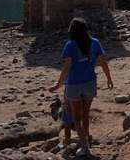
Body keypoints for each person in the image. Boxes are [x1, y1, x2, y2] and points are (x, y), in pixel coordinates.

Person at [49, 17, 114, 157]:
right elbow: (103, 62)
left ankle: (85, 147)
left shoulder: (70, 45)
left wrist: (58, 84)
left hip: (74, 85)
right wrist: (109, 78)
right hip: (90, 83)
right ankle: (86, 139)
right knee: (85, 115)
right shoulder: (95, 43)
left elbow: (67, 67)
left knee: (76, 118)